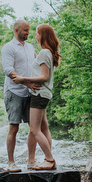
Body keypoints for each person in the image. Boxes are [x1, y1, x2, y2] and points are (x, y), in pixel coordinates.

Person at [13, 24, 61, 170]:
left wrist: (23, 79)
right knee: (43, 128)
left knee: (34, 129)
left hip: (39, 94)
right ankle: (47, 159)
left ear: (43, 35)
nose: (35, 36)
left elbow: (44, 76)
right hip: (43, 94)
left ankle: (50, 160)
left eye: (37, 33)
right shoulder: (47, 53)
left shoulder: (44, 53)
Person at [1, 19, 41, 172]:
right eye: (25, 30)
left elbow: (38, 64)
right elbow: (8, 70)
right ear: (16, 30)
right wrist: (27, 83)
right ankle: (11, 163)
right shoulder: (8, 48)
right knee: (14, 127)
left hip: (31, 92)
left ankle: (31, 161)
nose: (28, 33)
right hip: (14, 92)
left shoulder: (30, 47)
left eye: (29, 30)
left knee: (33, 128)